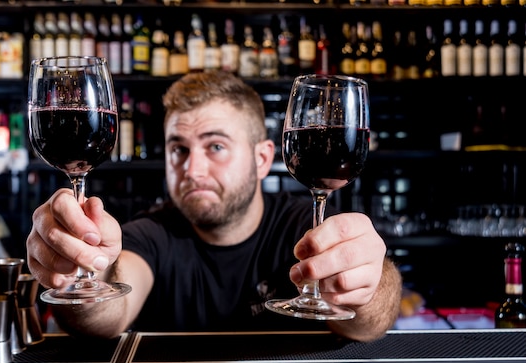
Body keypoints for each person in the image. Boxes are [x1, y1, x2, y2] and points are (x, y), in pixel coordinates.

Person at [26, 71, 402, 343]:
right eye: (179, 149)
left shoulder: (302, 226)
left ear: (261, 158)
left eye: (216, 146)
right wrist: (78, 267)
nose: (192, 169)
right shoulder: (153, 233)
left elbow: (370, 325)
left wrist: (369, 288)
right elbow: (105, 318)